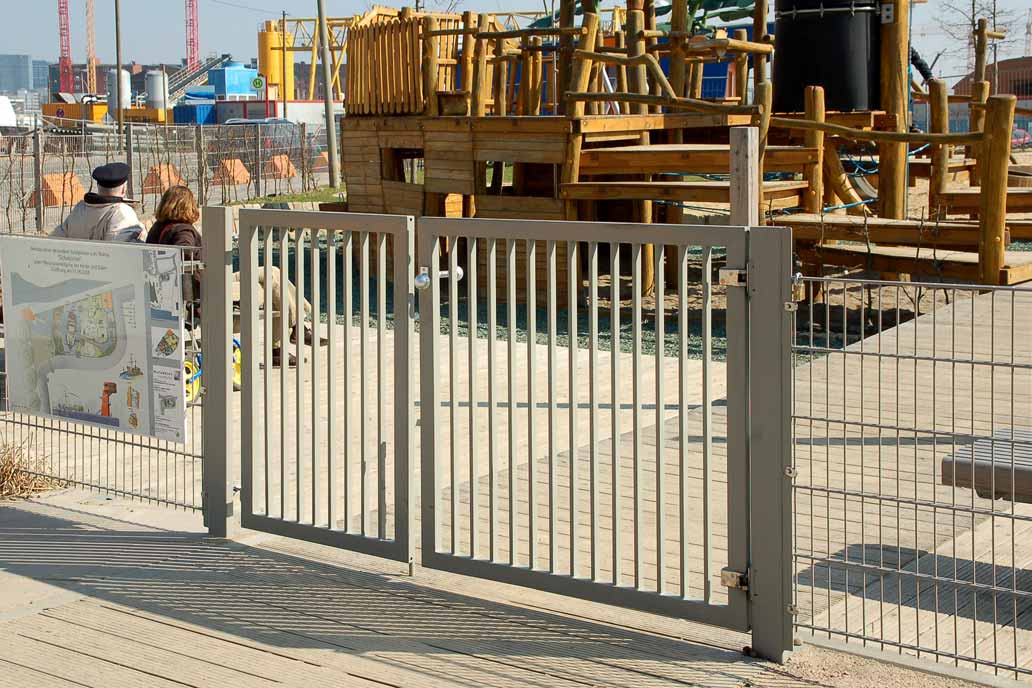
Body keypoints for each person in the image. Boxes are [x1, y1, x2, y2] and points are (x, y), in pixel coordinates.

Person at [145, 185, 315, 367]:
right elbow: (184, 255)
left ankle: (296, 327)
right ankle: (293, 331)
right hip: (209, 287)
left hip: (201, 282)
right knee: (272, 284)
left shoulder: (157, 229)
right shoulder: (183, 231)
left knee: (272, 273)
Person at [51, 162, 144, 241]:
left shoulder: (79, 209)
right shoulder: (122, 212)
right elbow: (123, 251)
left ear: (99, 187)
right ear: (123, 189)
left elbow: (55, 239)